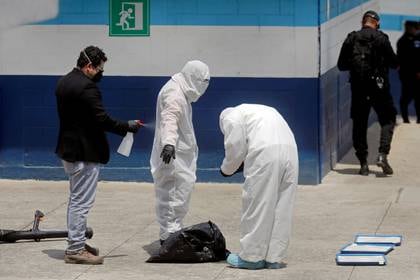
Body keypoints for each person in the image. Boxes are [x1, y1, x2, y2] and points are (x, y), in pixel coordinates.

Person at [55, 46, 141, 264]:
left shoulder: (63, 81)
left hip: (69, 150)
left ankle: (78, 241)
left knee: (77, 199)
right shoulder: (88, 88)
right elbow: (101, 120)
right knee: (80, 202)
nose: (101, 73)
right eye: (100, 68)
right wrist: (126, 126)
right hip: (84, 153)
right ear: (89, 66)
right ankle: (75, 249)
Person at [219, 104, 298, 270]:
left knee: (258, 204)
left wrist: (226, 169)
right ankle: (274, 257)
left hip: (265, 153)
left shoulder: (230, 116)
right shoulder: (263, 111)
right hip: (290, 151)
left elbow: (235, 147)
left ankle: (251, 257)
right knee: (282, 205)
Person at [150, 60, 210, 244]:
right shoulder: (175, 93)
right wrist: (169, 143)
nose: (203, 87)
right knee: (172, 197)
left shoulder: (180, 90)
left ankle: (173, 233)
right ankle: (169, 238)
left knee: (179, 196)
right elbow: (170, 118)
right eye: (202, 82)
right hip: (173, 157)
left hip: (179, 157)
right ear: (192, 77)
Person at [337, 10, 399, 176]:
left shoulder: (351, 38)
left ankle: (363, 164)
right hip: (379, 88)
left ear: (362, 22)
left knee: (359, 124)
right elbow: (394, 63)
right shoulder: (381, 38)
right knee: (388, 118)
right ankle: (382, 154)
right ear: (377, 23)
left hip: (358, 88)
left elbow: (341, 65)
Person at [397, 20, 420, 123]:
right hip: (407, 75)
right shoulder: (402, 41)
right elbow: (401, 59)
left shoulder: (419, 39)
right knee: (405, 99)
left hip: (418, 76)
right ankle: (405, 119)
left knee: (418, 99)